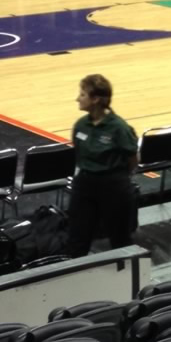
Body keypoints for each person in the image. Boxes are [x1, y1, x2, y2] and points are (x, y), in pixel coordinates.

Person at [66, 73, 138, 256]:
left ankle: (127, 279)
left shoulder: (119, 128)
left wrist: (118, 179)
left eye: (82, 95)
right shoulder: (81, 125)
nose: (77, 99)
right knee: (77, 237)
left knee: (120, 238)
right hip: (85, 185)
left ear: (96, 99)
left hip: (113, 187)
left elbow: (132, 158)